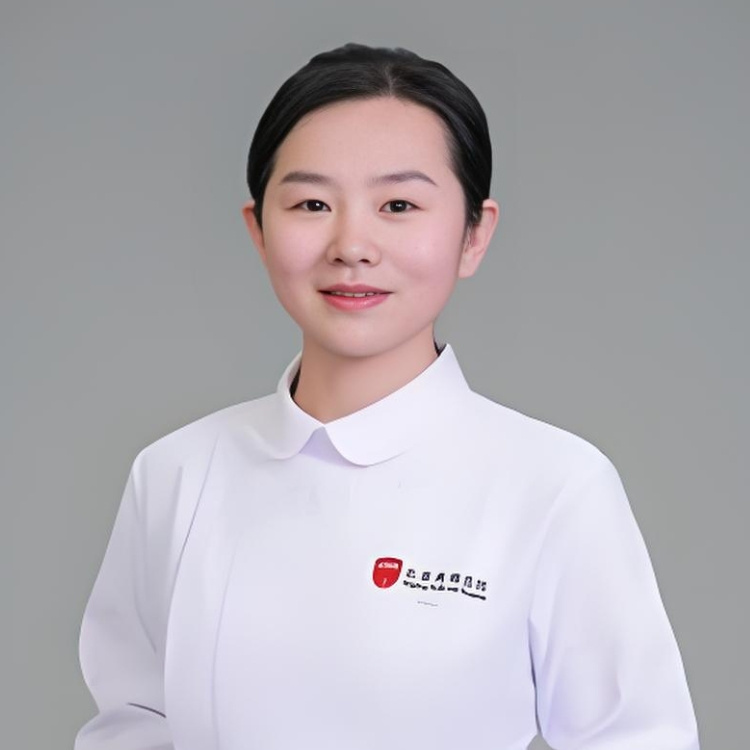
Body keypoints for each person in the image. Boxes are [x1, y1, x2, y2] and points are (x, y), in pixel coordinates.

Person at [74, 43, 700, 750]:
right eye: (312, 203)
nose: (352, 245)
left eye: (398, 204)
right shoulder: (176, 473)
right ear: (259, 230)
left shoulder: (555, 485)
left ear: (473, 234)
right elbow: (131, 727)